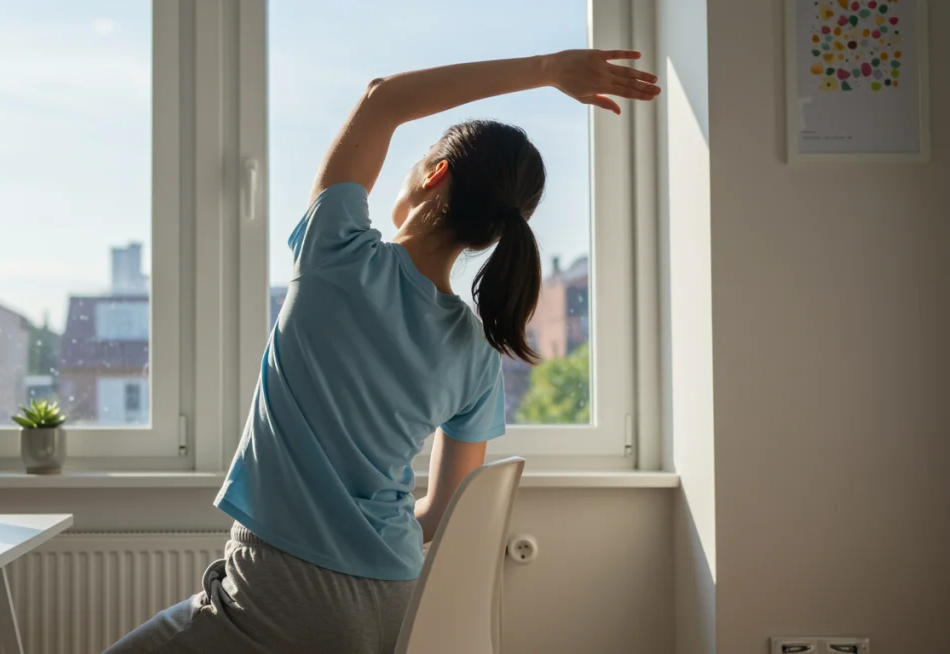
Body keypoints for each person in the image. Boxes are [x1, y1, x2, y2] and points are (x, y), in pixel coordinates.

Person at [105, 47, 659, 654]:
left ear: (434, 174)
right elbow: (445, 509)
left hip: (279, 589)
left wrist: (548, 70)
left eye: (417, 162)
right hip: (394, 603)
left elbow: (382, 99)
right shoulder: (475, 350)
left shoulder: (338, 254)